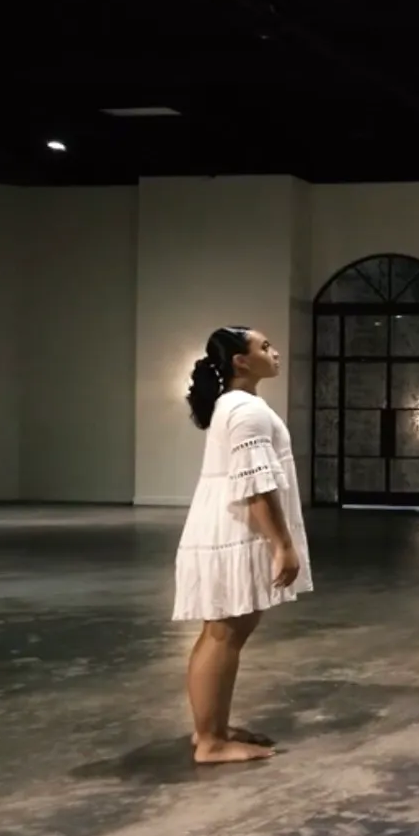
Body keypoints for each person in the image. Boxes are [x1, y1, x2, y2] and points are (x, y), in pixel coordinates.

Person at [172, 326, 310, 764]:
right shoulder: (245, 409)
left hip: (227, 528)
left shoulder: (236, 405)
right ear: (241, 361)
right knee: (225, 634)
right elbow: (256, 485)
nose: (275, 352)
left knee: (220, 633)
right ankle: (211, 741)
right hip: (235, 532)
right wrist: (282, 544)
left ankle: (210, 728)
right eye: (264, 346)